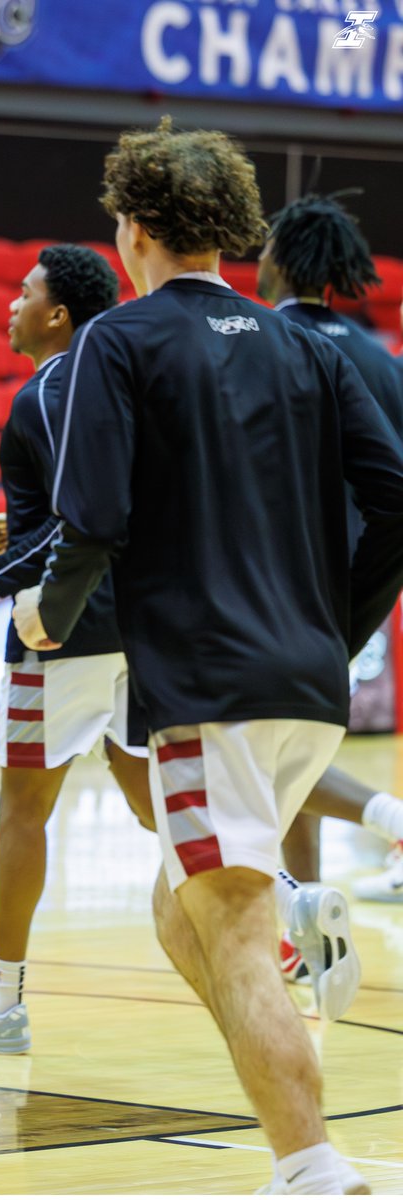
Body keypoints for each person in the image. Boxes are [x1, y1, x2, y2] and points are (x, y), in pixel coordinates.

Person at [13, 118, 403, 1195]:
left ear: (132, 228)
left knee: (228, 931)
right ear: (226, 227)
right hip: (308, 688)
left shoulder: (119, 341)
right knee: (176, 908)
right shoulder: (304, 345)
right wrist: (341, 622)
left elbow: (90, 515)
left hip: (206, 687)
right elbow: (399, 499)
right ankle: (285, 1008)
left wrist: (50, 615)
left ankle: (313, 1167)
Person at [0, 244, 159, 1053]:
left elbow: (81, 520)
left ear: (57, 314)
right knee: (153, 796)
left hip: (65, 627)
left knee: (21, 811)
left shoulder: (54, 388)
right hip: (145, 625)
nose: (10, 306)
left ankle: (1, 1002)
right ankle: (292, 902)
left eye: (24, 294)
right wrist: (14, 537)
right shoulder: (129, 377)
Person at [256, 193, 403, 912]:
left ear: (277, 259)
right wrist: (363, 605)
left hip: (275, 583)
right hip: (360, 588)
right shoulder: (382, 361)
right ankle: (306, 914)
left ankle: (387, 821)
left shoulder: (262, 344)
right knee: (297, 747)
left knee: (258, 759)